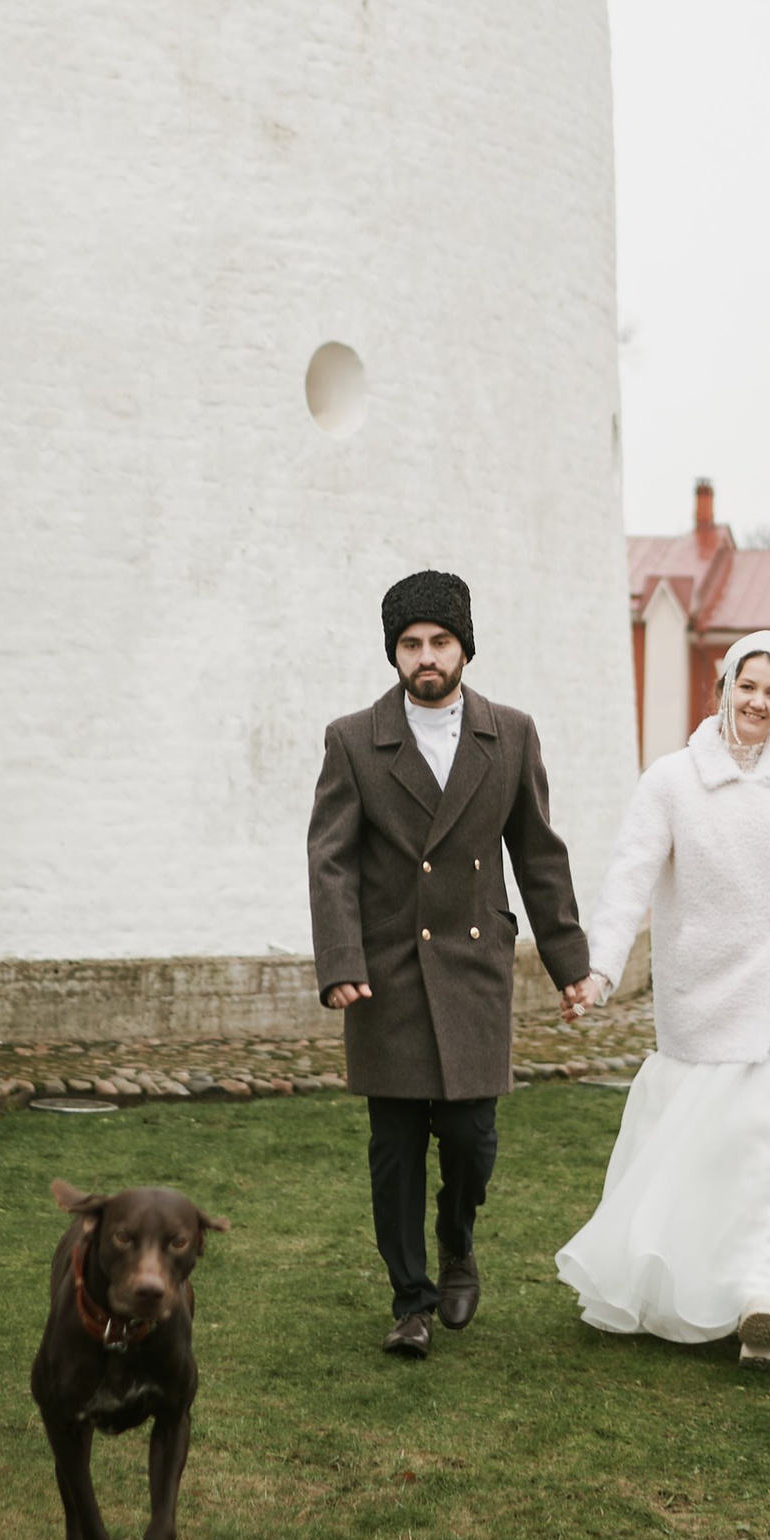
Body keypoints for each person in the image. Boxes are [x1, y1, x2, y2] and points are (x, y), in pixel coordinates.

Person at [556, 630, 770, 1364]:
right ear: (724, 689)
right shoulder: (672, 781)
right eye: (749, 687)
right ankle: (703, 1287)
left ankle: (763, 1302)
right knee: (710, 1160)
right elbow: (628, 883)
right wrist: (600, 973)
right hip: (706, 997)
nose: (759, 704)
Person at [307, 569, 592, 1358]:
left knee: (470, 1139)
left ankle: (458, 1240)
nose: (425, 657)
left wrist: (570, 962)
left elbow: (539, 854)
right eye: (409, 644)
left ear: (464, 645)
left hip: (473, 967)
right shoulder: (354, 740)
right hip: (387, 972)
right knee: (395, 1147)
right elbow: (329, 858)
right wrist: (339, 959)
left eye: (438, 642)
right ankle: (412, 1301)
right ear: (393, 653)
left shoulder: (512, 734)